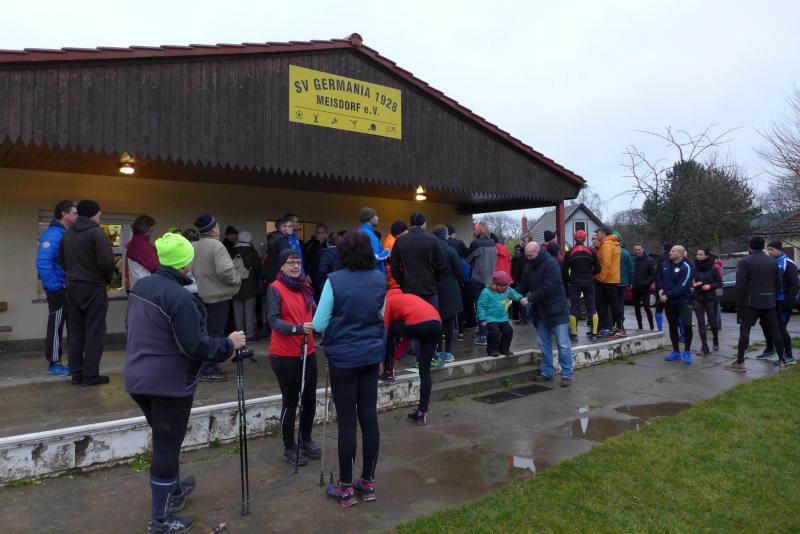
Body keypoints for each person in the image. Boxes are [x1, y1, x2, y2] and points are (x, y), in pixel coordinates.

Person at [125, 231, 246, 533]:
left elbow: (133, 327)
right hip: (168, 384)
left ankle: (174, 490)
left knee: (165, 439)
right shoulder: (180, 298)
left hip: (137, 378)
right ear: (185, 263)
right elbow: (196, 346)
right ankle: (160, 520)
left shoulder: (142, 285)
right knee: (166, 446)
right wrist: (229, 344)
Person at [312, 231, 386, 507]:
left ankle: (345, 488)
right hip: (370, 355)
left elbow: (319, 324)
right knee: (369, 417)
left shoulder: (334, 280)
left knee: (347, 420)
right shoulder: (380, 279)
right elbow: (380, 316)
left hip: (343, 358)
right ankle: (367, 483)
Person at [267, 248, 321, 466]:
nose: (296, 266)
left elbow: (316, 311)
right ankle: (289, 446)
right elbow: (273, 320)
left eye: (298, 262)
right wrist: (297, 329)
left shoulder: (305, 287)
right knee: (291, 401)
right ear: (282, 266)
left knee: (310, 398)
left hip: (308, 351)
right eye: (291, 262)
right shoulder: (275, 288)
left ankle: (306, 439)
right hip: (284, 354)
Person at [57, 199, 115, 387]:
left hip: (73, 287)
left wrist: (74, 274)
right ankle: (90, 376)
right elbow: (106, 262)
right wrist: (105, 280)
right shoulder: (96, 233)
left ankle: (76, 373)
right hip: (93, 287)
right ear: (93, 214)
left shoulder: (68, 234)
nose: (100, 215)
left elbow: (61, 260)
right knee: (94, 331)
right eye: (99, 212)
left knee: (75, 331)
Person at [191, 213, 241, 381]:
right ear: (213, 229)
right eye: (217, 225)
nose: (219, 228)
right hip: (219, 295)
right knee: (216, 333)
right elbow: (226, 270)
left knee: (206, 332)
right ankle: (208, 368)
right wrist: (236, 279)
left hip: (203, 293)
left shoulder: (196, 245)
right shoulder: (217, 245)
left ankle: (206, 365)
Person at [517, 242, 574, 387]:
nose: (528, 258)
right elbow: (523, 286)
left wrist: (529, 299)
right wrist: (510, 293)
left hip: (557, 309)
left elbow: (549, 287)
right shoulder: (529, 266)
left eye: (530, 255)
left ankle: (567, 374)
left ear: (538, 251)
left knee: (563, 344)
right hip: (540, 311)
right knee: (543, 343)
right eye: (526, 255)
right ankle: (547, 371)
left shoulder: (551, 264)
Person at [726, 238, 788, 372]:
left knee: (745, 330)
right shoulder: (773, 261)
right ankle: (782, 360)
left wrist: (739, 303)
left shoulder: (745, 262)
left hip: (750, 302)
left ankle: (740, 362)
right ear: (763, 246)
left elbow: (740, 285)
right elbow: (778, 283)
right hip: (769, 302)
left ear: (750, 247)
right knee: (775, 330)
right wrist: (773, 297)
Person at [383, 288, 441, 422]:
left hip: (418, 324)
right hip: (436, 323)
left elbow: (384, 331)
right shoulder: (409, 298)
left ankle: (387, 370)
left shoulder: (389, 301)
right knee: (425, 370)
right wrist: (397, 356)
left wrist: (380, 360)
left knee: (390, 328)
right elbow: (409, 336)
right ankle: (422, 413)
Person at [37, 200, 77, 376]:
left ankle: (73, 362)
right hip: (59, 290)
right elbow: (43, 263)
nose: (77, 216)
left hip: (68, 288)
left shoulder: (66, 233)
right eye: (74, 213)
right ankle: (54, 363)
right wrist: (56, 287)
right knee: (56, 325)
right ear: (64, 214)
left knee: (71, 325)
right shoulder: (53, 235)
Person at [389, 211, 447, 308]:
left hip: (409, 289)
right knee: (431, 315)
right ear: (424, 223)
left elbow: (394, 267)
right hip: (429, 289)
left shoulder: (399, 241)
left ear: (411, 223)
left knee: (412, 316)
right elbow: (442, 264)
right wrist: (435, 280)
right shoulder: (432, 239)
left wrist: (403, 282)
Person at [758, 240, 799, 365]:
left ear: (779, 249)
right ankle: (770, 349)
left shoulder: (788, 263)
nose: (769, 252)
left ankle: (789, 355)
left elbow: (794, 285)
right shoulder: (771, 262)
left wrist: (788, 303)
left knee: (780, 328)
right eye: (768, 250)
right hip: (771, 301)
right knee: (764, 323)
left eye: (772, 249)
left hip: (783, 302)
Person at [432, 225, 464, 363]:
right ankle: (448, 353)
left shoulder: (430, 250)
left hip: (433, 288)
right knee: (450, 322)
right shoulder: (450, 250)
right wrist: (460, 282)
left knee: (437, 320)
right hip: (450, 287)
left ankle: (438, 351)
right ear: (445, 235)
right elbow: (459, 270)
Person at [477, 271, 528, 357]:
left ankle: (504, 349)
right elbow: (481, 306)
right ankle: (492, 349)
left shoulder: (507, 290)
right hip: (490, 317)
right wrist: (482, 318)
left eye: (505, 286)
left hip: (502, 317)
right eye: (501, 286)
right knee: (495, 332)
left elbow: (515, 295)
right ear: (494, 284)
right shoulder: (486, 292)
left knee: (508, 331)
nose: (503, 288)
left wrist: (521, 299)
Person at [658, 245, 694, 364]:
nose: (670, 253)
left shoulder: (686, 267)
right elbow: (659, 278)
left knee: (687, 326)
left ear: (680, 254)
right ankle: (676, 351)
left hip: (683, 302)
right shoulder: (665, 264)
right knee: (672, 326)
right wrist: (660, 290)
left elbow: (683, 286)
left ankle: (687, 351)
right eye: (671, 251)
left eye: (673, 251)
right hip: (669, 302)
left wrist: (667, 295)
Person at [564, 229, 600, 341]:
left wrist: (569, 279)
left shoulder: (570, 252)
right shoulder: (591, 251)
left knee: (574, 308)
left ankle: (574, 334)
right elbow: (599, 268)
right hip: (589, 282)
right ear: (585, 239)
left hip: (575, 282)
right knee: (592, 308)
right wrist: (591, 275)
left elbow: (564, 270)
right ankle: (594, 334)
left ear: (575, 238)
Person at [466, 222, 498, 345]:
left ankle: (483, 336)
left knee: (480, 307)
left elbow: (468, 259)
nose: (473, 231)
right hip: (491, 280)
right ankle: (490, 332)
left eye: (474, 229)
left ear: (479, 230)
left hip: (478, 280)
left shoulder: (476, 243)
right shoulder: (492, 242)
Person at [692, 247, 722, 356]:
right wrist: (694, 284)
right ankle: (704, 347)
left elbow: (719, 283)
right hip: (697, 297)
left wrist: (709, 286)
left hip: (710, 297)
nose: (698, 256)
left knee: (713, 322)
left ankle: (715, 339)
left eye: (700, 254)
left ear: (707, 256)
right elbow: (691, 281)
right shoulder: (694, 267)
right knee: (700, 322)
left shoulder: (713, 268)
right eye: (697, 254)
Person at [231, 231, 262, 340]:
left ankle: (239, 335)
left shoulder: (232, 251)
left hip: (235, 286)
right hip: (250, 286)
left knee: (237, 312)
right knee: (249, 312)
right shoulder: (252, 251)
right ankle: (249, 335)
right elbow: (258, 268)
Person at [594, 227, 624, 337]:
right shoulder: (612, 244)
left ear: (603, 233)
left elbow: (606, 264)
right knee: (607, 304)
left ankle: (620, 329)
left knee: (611, 305)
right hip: (611, 279)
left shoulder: (607, 245)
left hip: (607, 280)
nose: (596, 235)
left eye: (598, 233)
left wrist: (600, 278)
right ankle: (603, 329)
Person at [124, 215, 159, 293]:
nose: (152, 232)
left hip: (135, 285)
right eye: (151, 229)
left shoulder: (134, 242)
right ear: (147, 228)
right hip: (143, 287)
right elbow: (156, 266)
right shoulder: (141, 244)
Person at [632, 244, 656, 330]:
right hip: (635, 288)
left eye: (639, 249)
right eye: (636, 250)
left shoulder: (649, 260)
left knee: (646, 307)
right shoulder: (633, 259)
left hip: (645, 288)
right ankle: (640, 327)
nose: (637, 251)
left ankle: (651, 327)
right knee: (636, 308)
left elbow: (653, 274)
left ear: (643, 249)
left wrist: (646, 283)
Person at [265, 217, 296, 284]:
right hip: (280, 276)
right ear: (282, 228)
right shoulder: (282, 240)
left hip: (272, 274)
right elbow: (287, 259)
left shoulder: (274, 238)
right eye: (290, 226)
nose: (292, 228)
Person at [358, 207, 390, 273]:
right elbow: (375, 257)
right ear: (370, 218)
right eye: (376, 216)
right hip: (374, 274)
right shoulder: (369, 234)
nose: (378, 218)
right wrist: (387, 252)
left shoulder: (360, 231)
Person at [303, 223, 328, 299]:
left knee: (323, 298)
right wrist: (306, 274)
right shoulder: (309, 244)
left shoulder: (328, 246)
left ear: (325, 234)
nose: (317, 235)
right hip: (311, 277)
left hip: (324, 277)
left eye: (320, 233)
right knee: (311, 298)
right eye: (316, 232)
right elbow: (303, 260)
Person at [615, 232, 634, 330]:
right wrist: (630, 282)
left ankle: (613, 323)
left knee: (611, 303)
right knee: (620, 302)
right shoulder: (626, 253)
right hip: (623, 282)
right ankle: (620, 323)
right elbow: (631, 270)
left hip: (611, 282)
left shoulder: (609, 251)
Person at [383, 221, 408, 291]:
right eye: (405, 234)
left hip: (395, 282)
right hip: (395, 283)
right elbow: (394, 265)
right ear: (398, 234)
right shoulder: (391, 244)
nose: (407, 236)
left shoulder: (393, 242)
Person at [653, 242, 672, 332]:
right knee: (674, 311)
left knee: (659, 308)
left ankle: (660, 329)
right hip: (672, 289)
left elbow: (657, 274)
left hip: (661, 289)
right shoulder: (676, 259)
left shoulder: (661, 258)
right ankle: (680, 332)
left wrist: (658, 288)